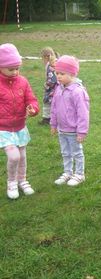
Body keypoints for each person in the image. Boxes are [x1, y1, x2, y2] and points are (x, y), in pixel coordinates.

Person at [0, 43, 40, 199]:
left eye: (17, 68)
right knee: (14, 156)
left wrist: (33, 108)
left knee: (22, 156)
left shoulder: (22, 81)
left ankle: (22, 180)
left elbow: (31, 99)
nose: (15, 72)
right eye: (11, 69)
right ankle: (11, 182)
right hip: (3, 129)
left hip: (20, 127)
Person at [50, 55, 90, 187]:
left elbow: (83, 113)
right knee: (65, 152)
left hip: (73, 131)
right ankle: (67, 172)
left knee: (77, 152)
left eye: (62, 73)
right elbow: (54, 107)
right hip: (62, 129)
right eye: (57, 73)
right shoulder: (58, 88)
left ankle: (79, 174)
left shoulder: (78, 92)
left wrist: (81, 132)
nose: (59, 76)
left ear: (72, 74)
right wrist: (53, 124)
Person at [39, 47, 58, 125]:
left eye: (42, 58)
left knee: (47, 102)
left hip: (52, 89)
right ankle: (56, 118)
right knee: (55, 103)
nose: (42, 60)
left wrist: (47, 85)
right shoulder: (56, 61)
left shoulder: (50, 66)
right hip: (57, 88)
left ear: (46, 57)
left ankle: (46, 119)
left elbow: (52, 79)